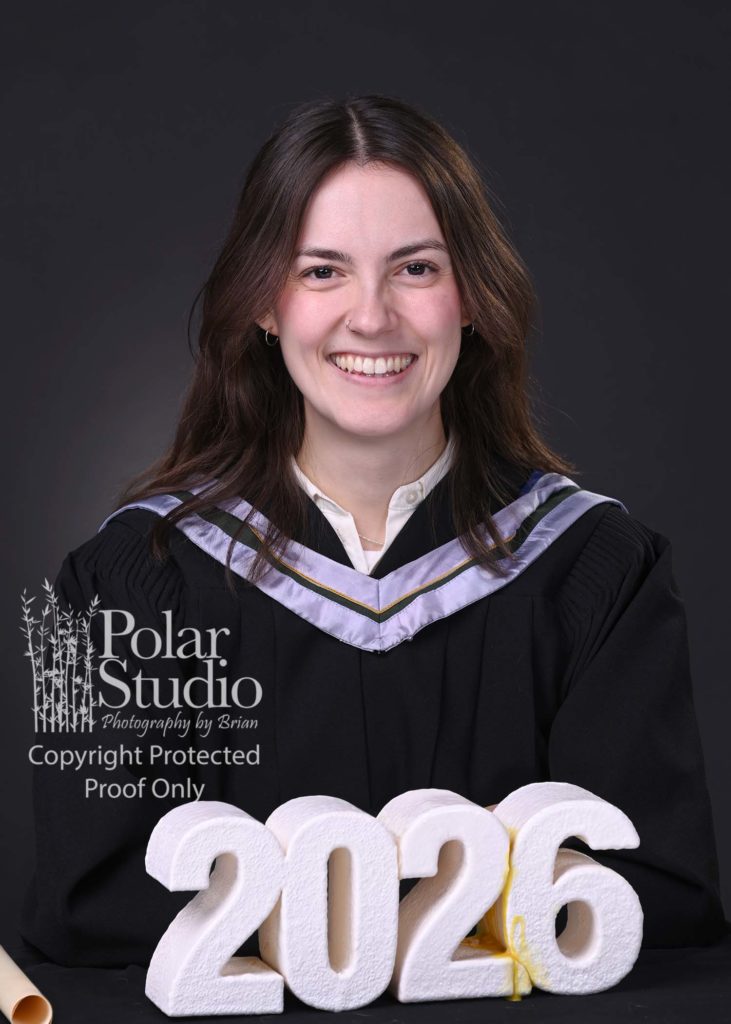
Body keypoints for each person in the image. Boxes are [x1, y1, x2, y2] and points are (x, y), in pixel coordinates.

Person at [20, 94, 726, 969]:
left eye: (415, 268)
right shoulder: (136, 581)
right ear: (265, 304)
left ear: (471, 297)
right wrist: (416, 912)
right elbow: (91, 899)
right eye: (321, 271)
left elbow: (654, 889)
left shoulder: (593, 570)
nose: (371, 316)